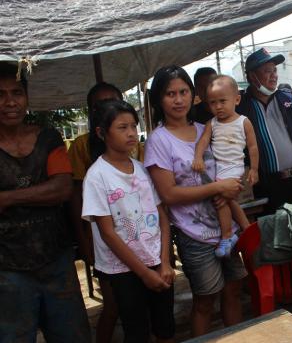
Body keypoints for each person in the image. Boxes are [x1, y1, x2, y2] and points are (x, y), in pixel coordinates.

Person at [144, 65, 246, 337]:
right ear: (159, 100)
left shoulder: (208, 128)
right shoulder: (158, 140)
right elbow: (169, 195)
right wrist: (218, 187)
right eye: (170, 94)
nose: (178, 100)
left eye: (183, 92)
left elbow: (229, 165)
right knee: (205, 300)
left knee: (233, 291)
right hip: (194, 234)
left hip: (226, 229)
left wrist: (235, 183)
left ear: (193, 95)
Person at [0, 62, 90, 342]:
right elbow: (52, 189)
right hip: (7, 267)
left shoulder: (47, 137)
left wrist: (6, 198)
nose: (9, 102)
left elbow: (62, 188)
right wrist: (42, 192)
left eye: (16, 92)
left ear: (26, 97)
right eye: (0, 94)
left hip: (56, 259)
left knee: (72, 336)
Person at [82, 100, 175, 343]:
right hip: (125, 269)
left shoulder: (141, 168)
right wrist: (144, 273)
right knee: (137, 332)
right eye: (122, 127)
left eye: (133, 126)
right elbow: (108, 233)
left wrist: (164, 262)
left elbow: (162, 218)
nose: (132, 133)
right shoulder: (96, 176)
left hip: (156, 259)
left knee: (165, 329)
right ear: (102, 133)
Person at [68, 81, 140, 343]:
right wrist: (84, 238)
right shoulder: (82, 147)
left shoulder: (134, 148)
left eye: (113, 100)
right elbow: (76, 197)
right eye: (99, 105)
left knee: (139, 306)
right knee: (112, 303)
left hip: (137, 234)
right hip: (104, 237)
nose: (108, 107)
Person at [237, 48, 292, 214]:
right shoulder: (241, 107)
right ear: (252, 76)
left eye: (275, 70)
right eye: (267, 71)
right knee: (274, 232)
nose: (274, 75)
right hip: (265, 185)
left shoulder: (287, 100)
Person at [192, 75, 258, 257]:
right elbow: (203, 142)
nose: (218, 106)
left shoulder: (243, 121)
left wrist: (253, 169)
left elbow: (253, 147)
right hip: (218, 168)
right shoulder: (211, 123)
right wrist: (197, 157)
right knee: (228, 200)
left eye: (222, 101)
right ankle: (245, 228)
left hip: (234, 167)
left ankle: (227, 236)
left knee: (221, 202)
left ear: (236, 99)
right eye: (213, 103)